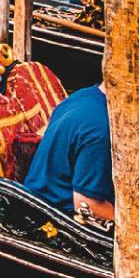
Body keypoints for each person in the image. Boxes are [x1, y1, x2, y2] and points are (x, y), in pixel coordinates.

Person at [21, 83, 114, 222]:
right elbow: (87, 206)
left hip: (39, 199)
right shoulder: (102, 130)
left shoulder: (82, 96)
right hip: (57, 220)